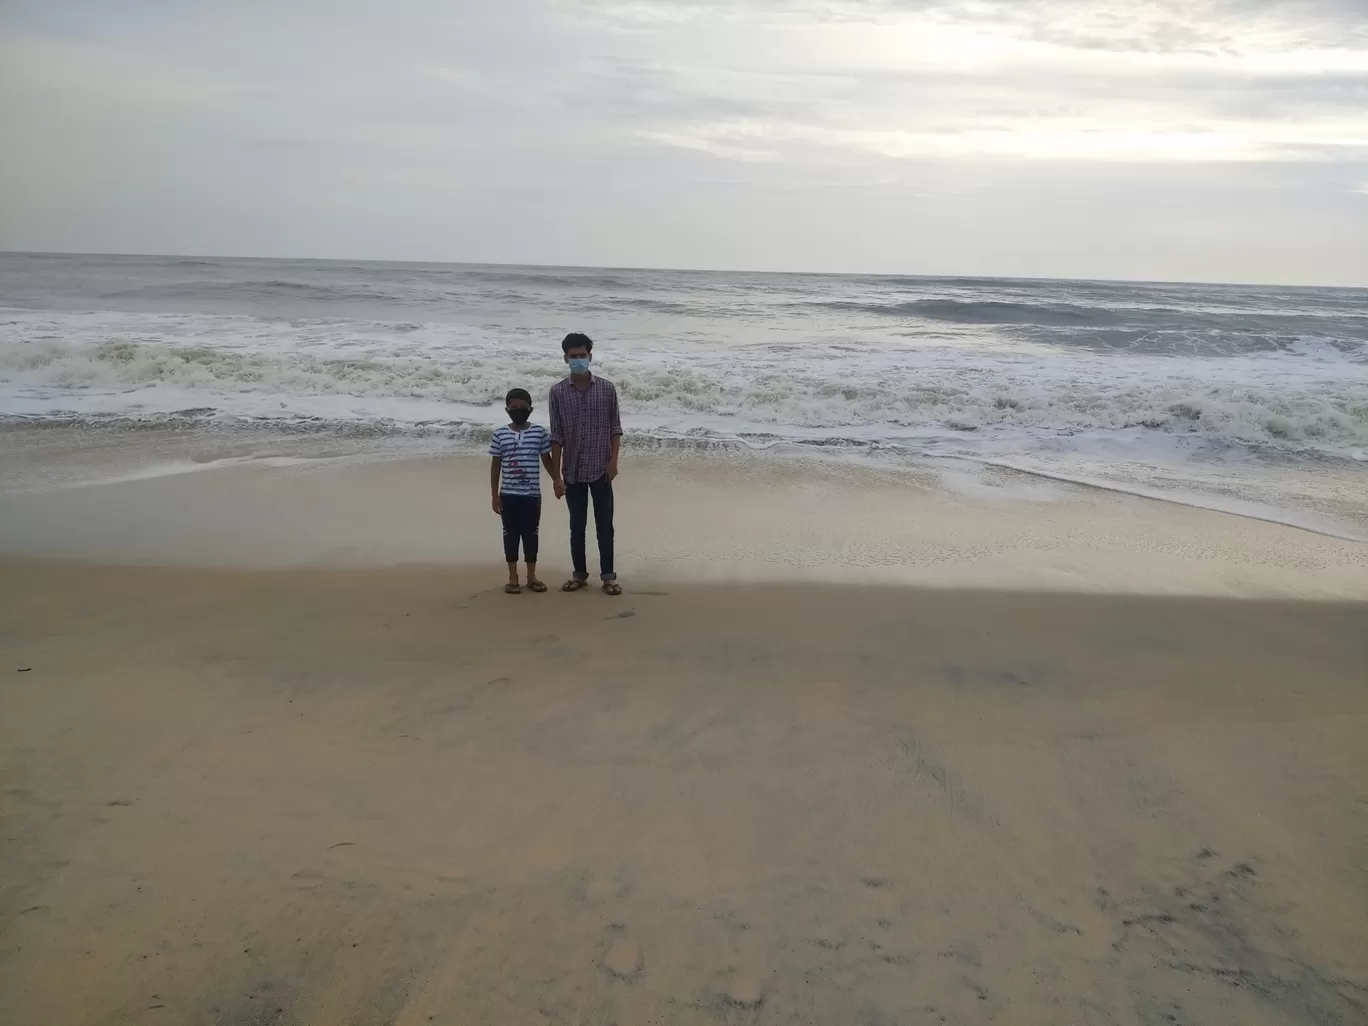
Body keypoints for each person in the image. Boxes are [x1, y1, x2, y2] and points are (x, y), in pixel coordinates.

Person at [549, 332, 623, 595]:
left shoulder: (606, 388)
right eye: (573, 356)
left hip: (601, 469)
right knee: (576, 525)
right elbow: (555, 436)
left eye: (582, 356)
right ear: (565, 358)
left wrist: (613, 462)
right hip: (572, 471)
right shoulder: (557, 392)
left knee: (605, 525)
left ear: (590, 356)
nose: (578, 360)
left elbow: (615, 429)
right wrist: (556, 476)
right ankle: (579, 574)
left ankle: (608, 576)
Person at [489, 387, 554, 594]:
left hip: (532, 496)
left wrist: (557, 480)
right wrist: (494, 496)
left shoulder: (539, 433)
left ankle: (531, 576)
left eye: (522, 407)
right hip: (508, 496)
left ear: (530, 409)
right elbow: (495, 466)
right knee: (510, 535)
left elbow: (547, 460)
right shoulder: (500, 434)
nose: (518, 410)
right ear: (507, 409)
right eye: (513, 407)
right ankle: (512, 577)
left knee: (531, 535)